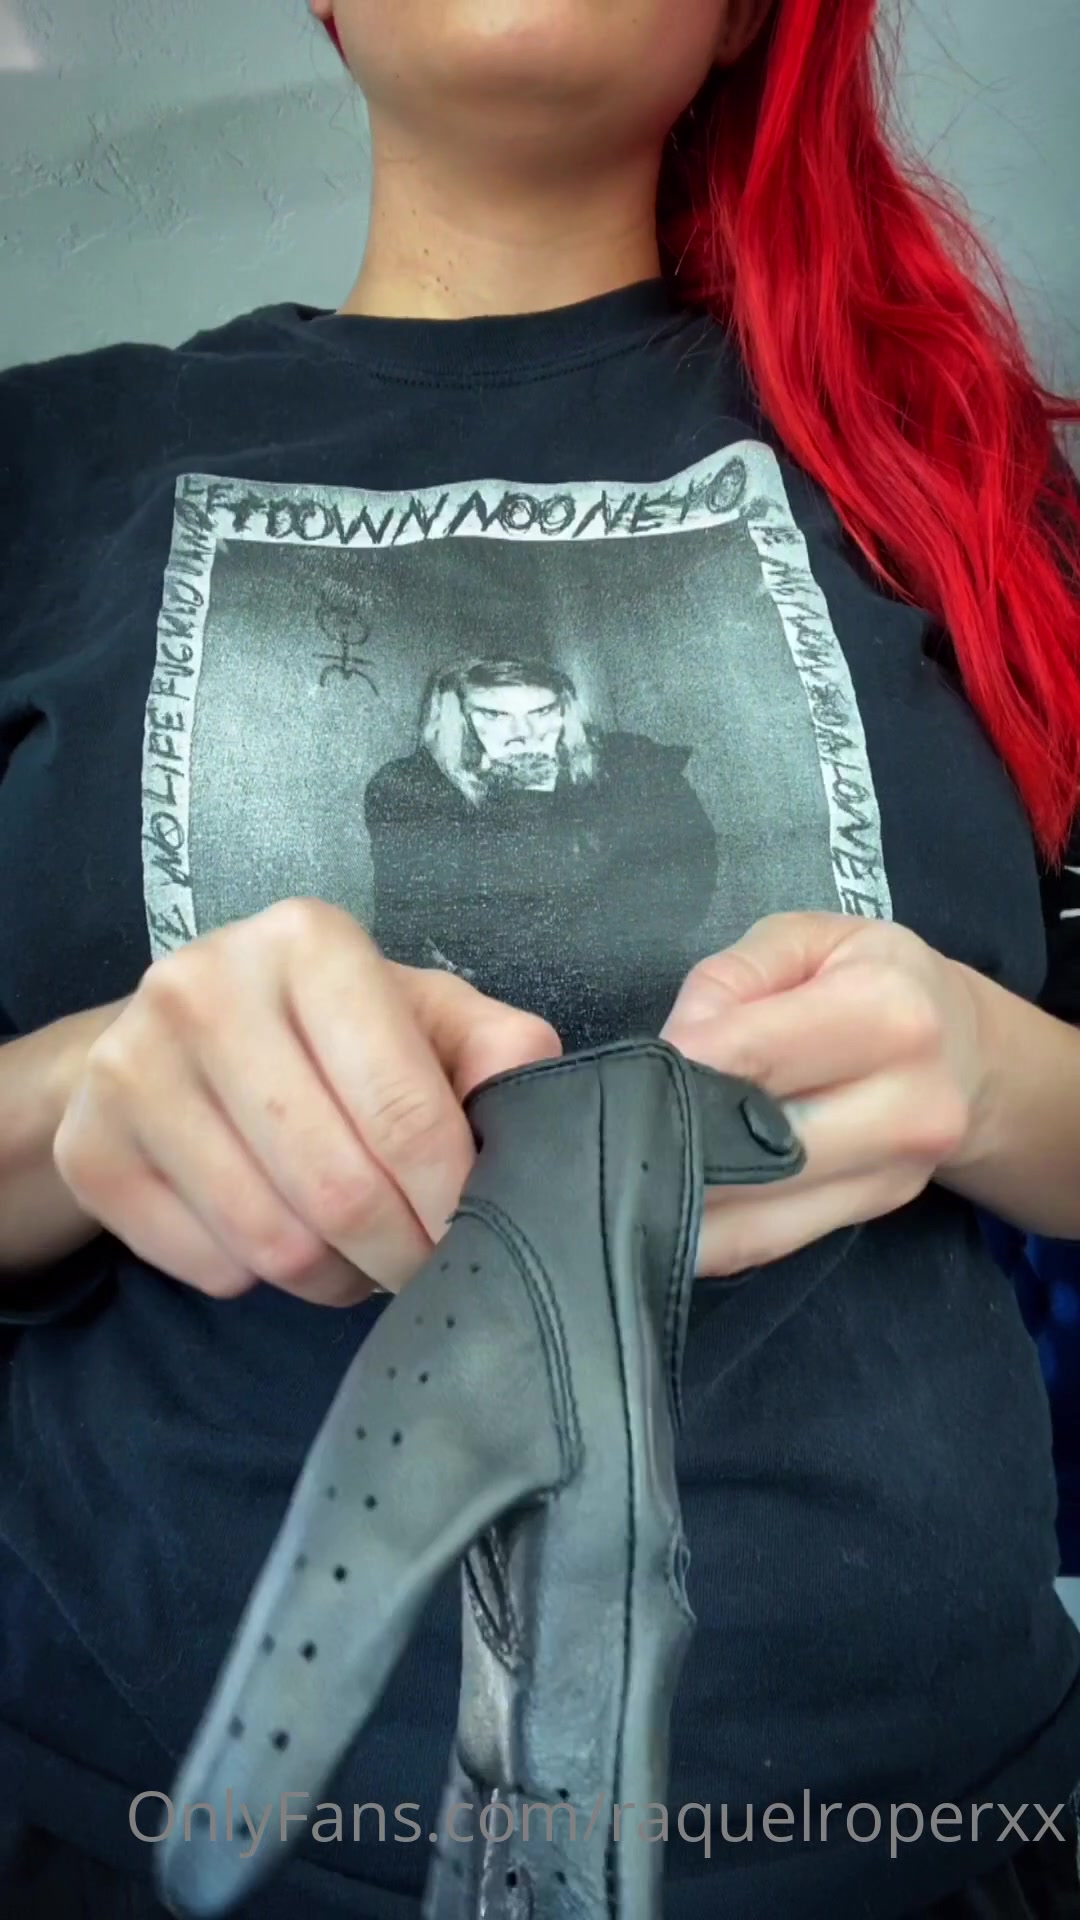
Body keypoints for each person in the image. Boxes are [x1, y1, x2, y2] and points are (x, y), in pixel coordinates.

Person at [1, 2, 1079, 1916]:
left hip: (931, 1832)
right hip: (139, 1818)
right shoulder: (43, 466)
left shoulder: (964, 480)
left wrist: (999, 1081)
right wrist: (84, 1096)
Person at [365, 656, 719, 1046]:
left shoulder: (629, 766)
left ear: (565, 710)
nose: (524, 734)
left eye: (542, 712)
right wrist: (522, 797)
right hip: (505, 1015)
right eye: (494, 716)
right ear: (458, 720)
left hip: (640, 1004)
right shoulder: (412, 790)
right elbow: (446, 931)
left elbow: (684, 894)